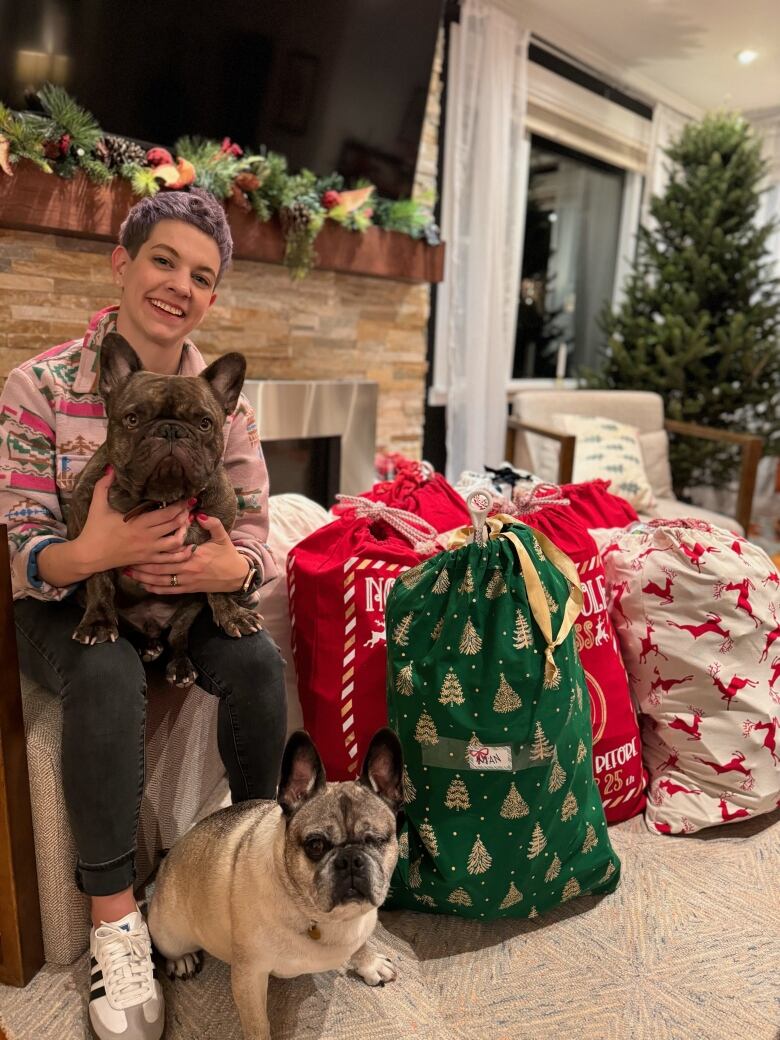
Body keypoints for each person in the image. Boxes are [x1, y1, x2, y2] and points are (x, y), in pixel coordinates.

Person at [0, 188, 287, 1040]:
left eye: (202, 276)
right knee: (105, 668)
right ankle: (116, 920)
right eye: (163, 259)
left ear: (212, 296)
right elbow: (17, 542)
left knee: (260, 663)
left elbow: (260, 533)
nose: (179, 285)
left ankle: (260, 853)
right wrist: (95, 554)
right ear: (122, 263)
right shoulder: (40, 386)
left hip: (190, 593)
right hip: (76, 602)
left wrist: (228, 562)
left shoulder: (222, 398)